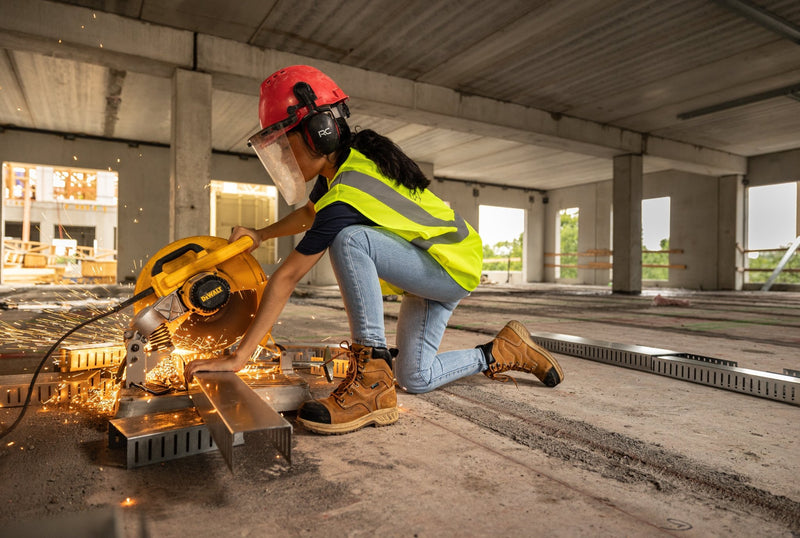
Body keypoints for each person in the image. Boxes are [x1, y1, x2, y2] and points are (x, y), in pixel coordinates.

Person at [183, 65, 564, 434]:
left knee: (351, 240)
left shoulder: (348, 190)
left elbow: (286, 277)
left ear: (320, 131)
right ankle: (501, 351)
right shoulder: (345, 171)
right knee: (415, 377)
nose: (283, 156)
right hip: (436, 267)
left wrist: (239, 356)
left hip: (448, 266)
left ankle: (371, 379)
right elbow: (309, 214)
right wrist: (262, 234)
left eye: (285, 143)